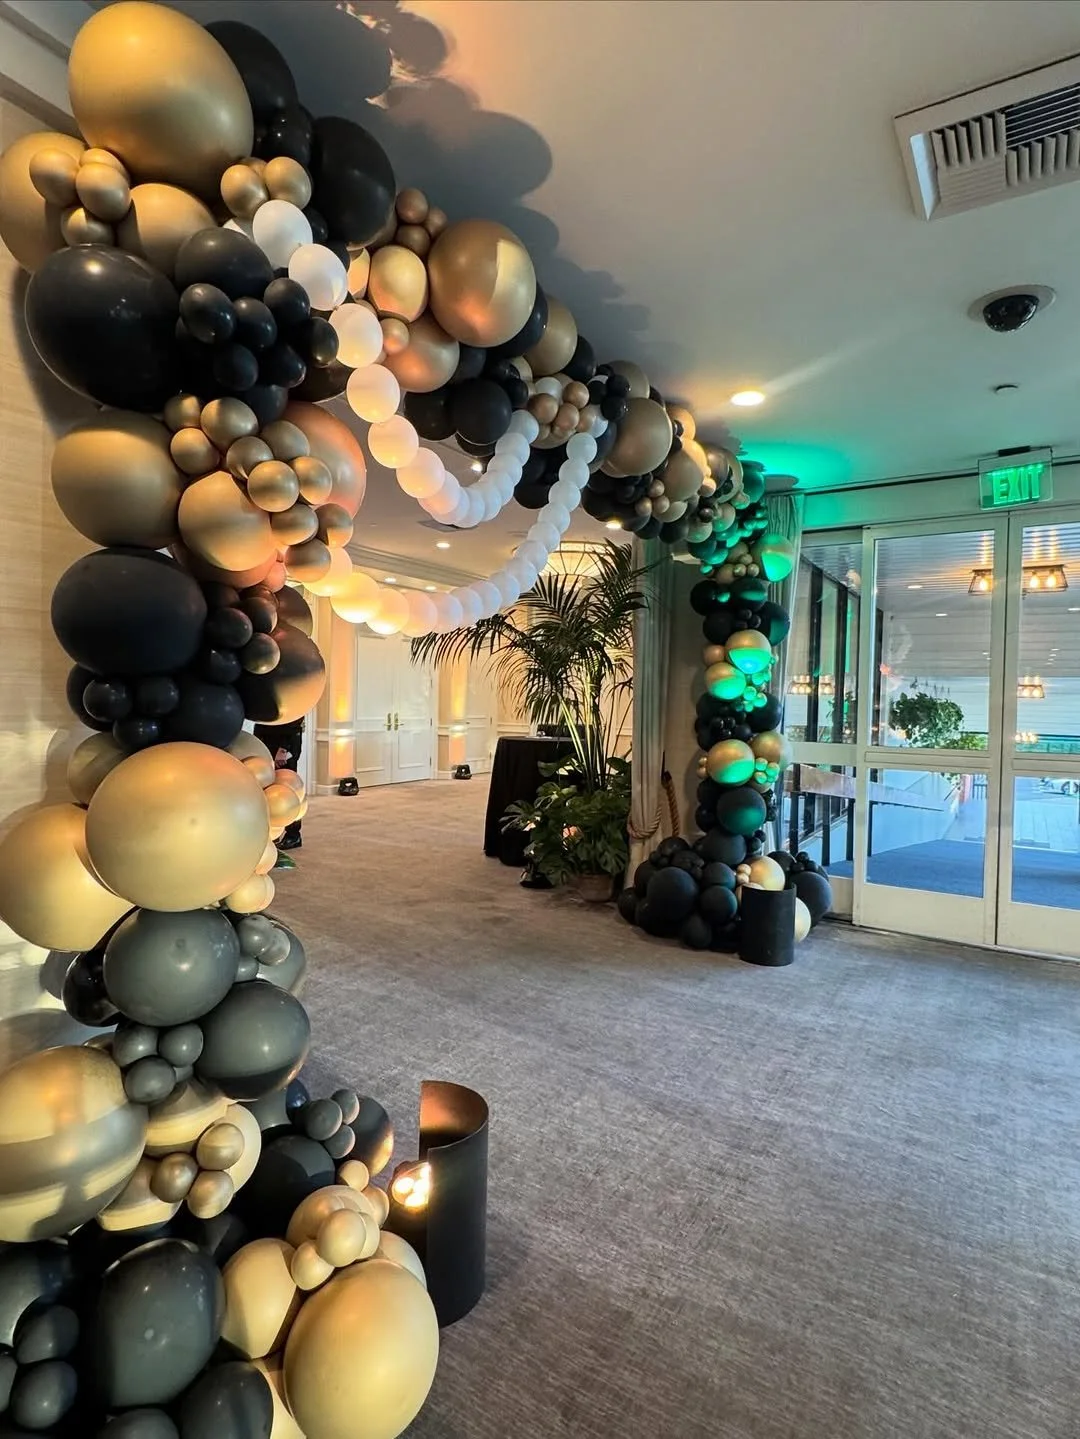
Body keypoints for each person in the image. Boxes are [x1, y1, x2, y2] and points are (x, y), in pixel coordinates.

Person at [254, 716, 304, 850]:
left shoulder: (292, 697)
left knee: (287, 788)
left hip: (283, 746)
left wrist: (283, 749)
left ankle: (293, 835)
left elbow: (295, 721)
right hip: (267, 743)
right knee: (270, 790)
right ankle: (274, 834)